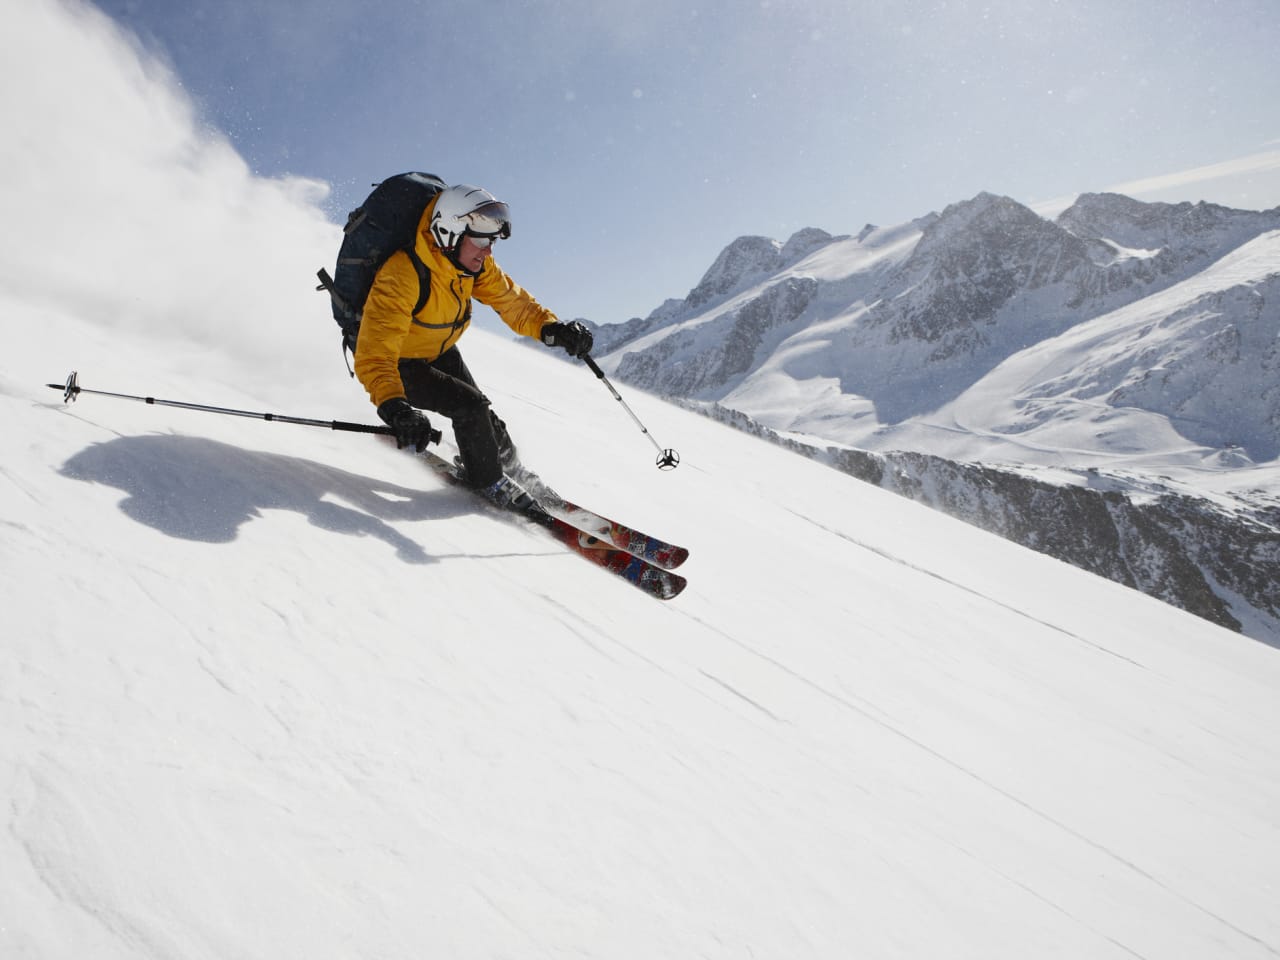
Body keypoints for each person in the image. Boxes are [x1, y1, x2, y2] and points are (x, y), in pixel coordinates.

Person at [353, 183, 593, 503]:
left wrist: (552, 329)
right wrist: (395, 407)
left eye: (492, 241)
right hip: (398, 362)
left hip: (437, 348)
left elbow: (513, 303)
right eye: (481, 239)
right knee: (470, 408)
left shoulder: (471, 265)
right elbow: (375, 353)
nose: (488, 250)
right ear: (449, 231)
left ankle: (512, 470)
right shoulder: (403, 273)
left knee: (485, 417)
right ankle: (489, 483)